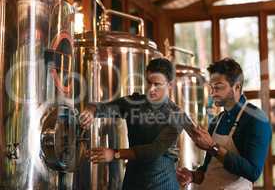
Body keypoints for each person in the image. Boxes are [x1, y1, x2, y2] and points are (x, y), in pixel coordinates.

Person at [80, 58, 191, 190]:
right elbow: (102, 108)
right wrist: (90, 110)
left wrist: (114, 154)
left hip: (163, 183)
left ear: (170, 85)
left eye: (157, 84)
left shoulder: (177, 115)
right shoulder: (133, 103)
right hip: (133, 181)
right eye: (149, 83)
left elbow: (154, 150)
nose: (151, 89)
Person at [176, 57, 272, 190]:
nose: (212, 93)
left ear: (237, 87)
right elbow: (208, 170)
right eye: (211, 87)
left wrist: (212, 147)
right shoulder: (217, 120)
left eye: (218, 87)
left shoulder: (256, 119)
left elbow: (253, 172)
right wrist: (192, 176)